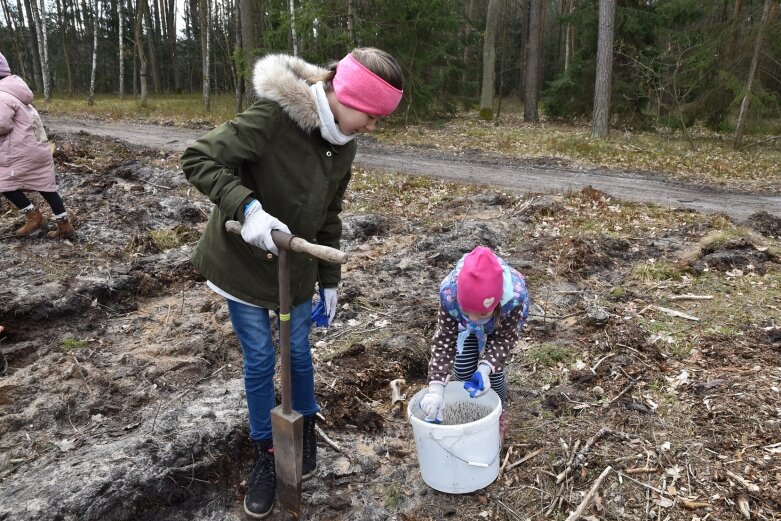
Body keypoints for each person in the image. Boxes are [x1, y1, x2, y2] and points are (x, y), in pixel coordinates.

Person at [181, 48, 403, 518]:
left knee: (298, 351)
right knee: (261, 357)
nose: (372, 126)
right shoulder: (274, 117)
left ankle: (301, 426)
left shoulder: (343, 141)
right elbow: (198, 158)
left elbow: (330, 213)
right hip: (243, 261)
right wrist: (248, 208)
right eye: (371, 114)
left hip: (296, 268)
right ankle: (267, 449)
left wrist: (330, 279)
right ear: (345, 94)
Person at [419, 246, 529, 441]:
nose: (474, 318)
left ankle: (498, 413)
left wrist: (486, 368)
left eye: (481, 313)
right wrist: (435, 388)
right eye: (467, 310)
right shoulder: (449, 295)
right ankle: (470, 412)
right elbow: (444, 339)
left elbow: (505, 339)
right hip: (464, 326)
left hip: (500, 322)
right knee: (462, 370)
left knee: (493, 378)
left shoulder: (514, 298)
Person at [0, 51, 75, 238]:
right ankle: (64, 224)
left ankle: (34, 216)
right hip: (38, 150)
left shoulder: (1, 95)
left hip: (19, 152)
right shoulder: (17, 93)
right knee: (47, 188)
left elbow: (2, 124)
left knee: (5, 184)